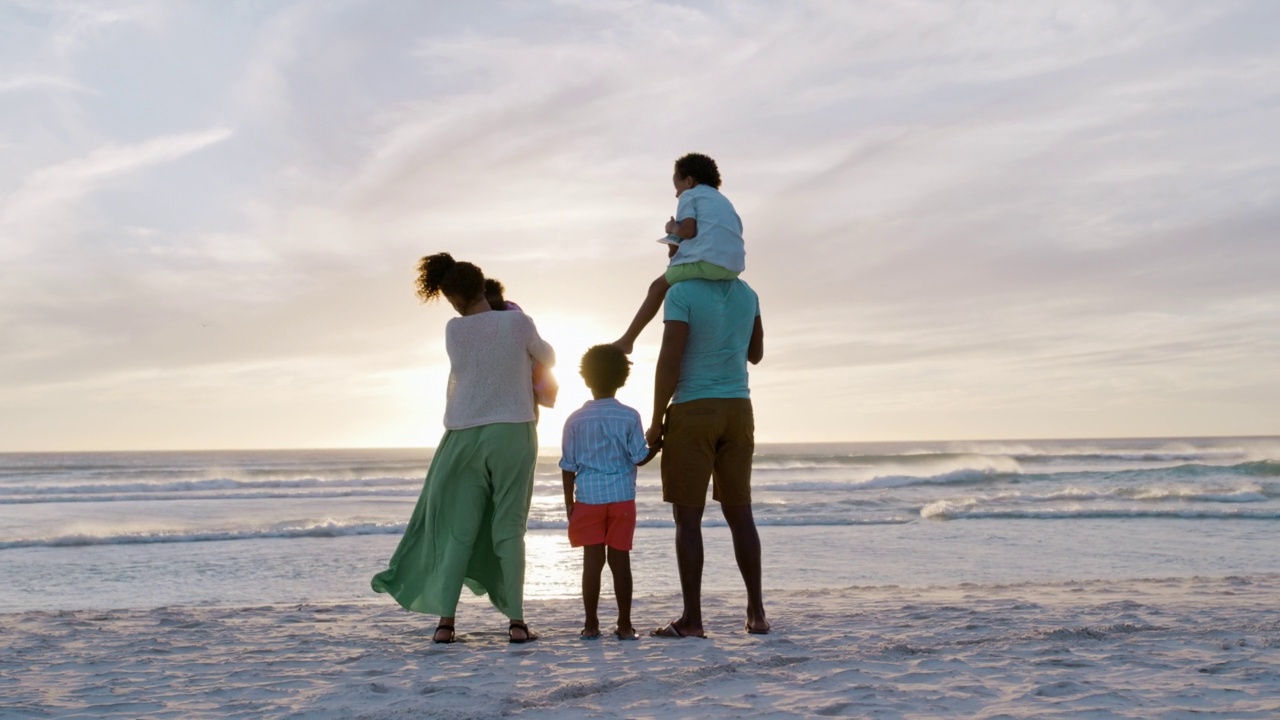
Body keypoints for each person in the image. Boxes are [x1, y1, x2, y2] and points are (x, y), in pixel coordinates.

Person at [371, 253, 555, 645]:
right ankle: (518, 624)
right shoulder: (518, 322)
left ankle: (445, 624)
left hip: (463, 437)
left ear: (453, 299)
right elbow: (548, 357)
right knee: (509, 529)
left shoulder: (453, 330)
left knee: (459, 530)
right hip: (513, 431)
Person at [646, 275, 767, 638]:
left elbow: (670, 359)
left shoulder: (681, 292)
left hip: (694, 408)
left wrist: (655, 421)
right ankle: (757, 613)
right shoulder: (748, 292)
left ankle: (693, 620)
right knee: (740, 514)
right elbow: (756, 354)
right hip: (738, 409)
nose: (670, 258)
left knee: (688, 517)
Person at [559, 345, 659, 641]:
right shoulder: (629, 416)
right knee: (620, 561)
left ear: (586, 379)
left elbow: (568, 466)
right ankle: (625, 626)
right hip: (621, 499)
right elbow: (639, 456)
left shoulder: (575, 419)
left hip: (588, 499)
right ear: (622, 378)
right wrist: (658, 445)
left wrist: (569, 505)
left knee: (592, 562)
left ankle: (591, 625)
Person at [613, 153, 745, 354]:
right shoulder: (723, 201)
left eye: (677, 188)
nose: (677, 195)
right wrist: (675, 248)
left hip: (707, 262)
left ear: (689, 181)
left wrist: (672, 227)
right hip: (733, 267)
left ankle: (627, 340)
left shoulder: (689, 195)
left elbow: (688, 230)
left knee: (657, 287)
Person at [485, 278, 558, 409]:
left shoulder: (516, 321)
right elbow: (548, 357)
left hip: (512, 399)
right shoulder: (517, 318)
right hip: (522, 399)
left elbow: (548, 358)